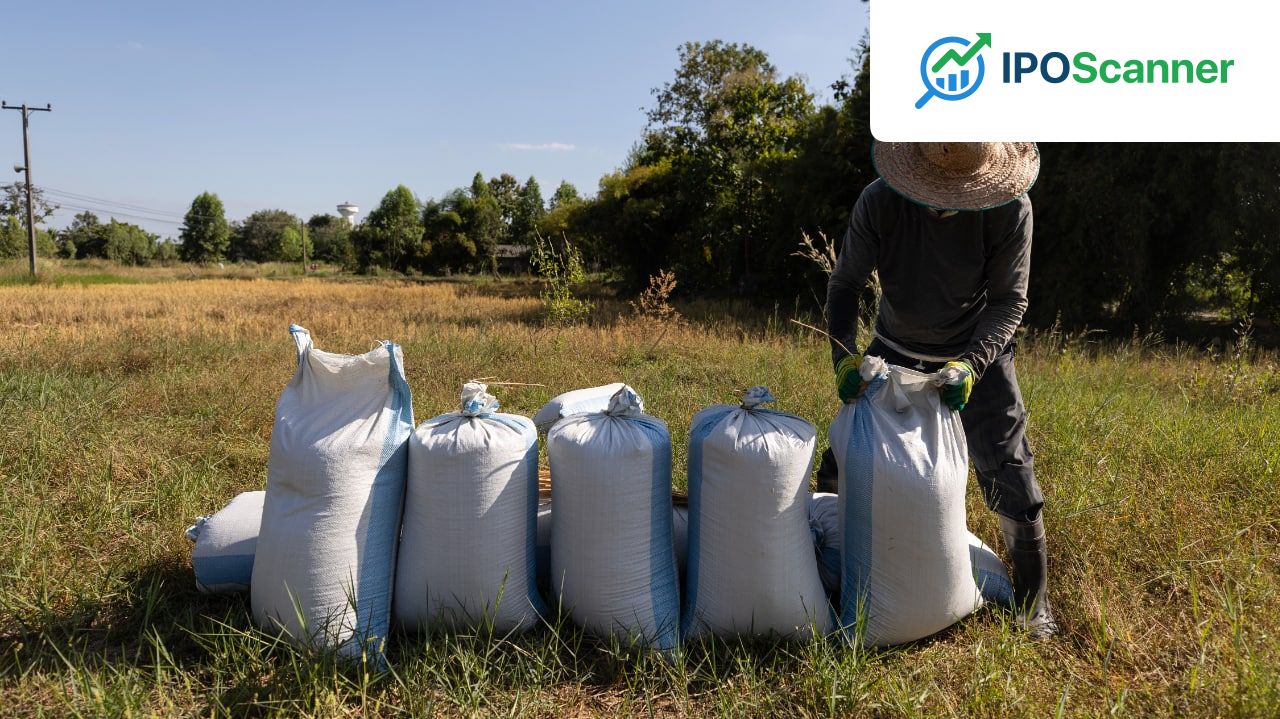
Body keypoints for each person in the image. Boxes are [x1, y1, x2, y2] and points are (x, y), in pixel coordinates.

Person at [818, 141, 1057, 638]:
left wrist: (971, 364)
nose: (944, 203)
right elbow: (845, 285)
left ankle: (1033, 606)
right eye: (934, 194)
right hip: (894, 349)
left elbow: (1009, 301)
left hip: (976, 353)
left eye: (958, 196)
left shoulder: (1010, 208)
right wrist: (843, 358)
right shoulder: (880, 201)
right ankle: (834, 570)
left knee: (1007, 464)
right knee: (845, 459)